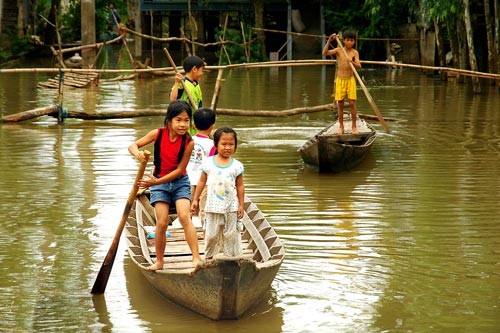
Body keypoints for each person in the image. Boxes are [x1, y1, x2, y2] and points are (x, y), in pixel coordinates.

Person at [128, 100, 202, 270]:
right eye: (178, 120)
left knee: (184, 217)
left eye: (186, 120)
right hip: (159, 183)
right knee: (161, 222)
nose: (183, 124)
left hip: (179, 182)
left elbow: (180, 170)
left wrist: (154, 182)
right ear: (169, 120)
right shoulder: (158, 134)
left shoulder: (189, 142)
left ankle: (196, 258)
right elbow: (133, 145)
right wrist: (137, 154)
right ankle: (160, 262)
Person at [191, 127, 245, 259]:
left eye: (231, 144)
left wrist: (241, 205)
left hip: (231, 206)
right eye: (224, 144)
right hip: (212, 206)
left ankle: (231, 257)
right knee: (211, 234)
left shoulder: (237, 165)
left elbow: (240, 186)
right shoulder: (208, 163)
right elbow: (201, 182)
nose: (227, 147)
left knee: (231, 234)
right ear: (216, 145)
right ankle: (209, 257)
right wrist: (195, 200)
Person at [323, 30, 361, 135]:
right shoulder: (339, 50)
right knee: (340, 104)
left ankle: (354, 126)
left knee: (352, 103)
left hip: (350, 80)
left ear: (354, 42)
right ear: (343, 40)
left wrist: (351, 61)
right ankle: (341, 127)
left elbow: (359, 65)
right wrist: (329, 40)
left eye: (351, 40)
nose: (349, 42)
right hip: (340, 80)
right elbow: (325, 53)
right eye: (347, 40)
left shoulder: (354, 52)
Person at [186, 107, 217, 228]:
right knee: (205, 210)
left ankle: (187, 231)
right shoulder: (213, 145)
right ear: (212, 126)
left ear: (193, 124)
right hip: (205, 182)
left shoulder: (188, 140)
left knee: (187, 210)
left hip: (187, 179)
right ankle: (206, 233)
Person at [170, 55, 205, 135]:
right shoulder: (182, 83)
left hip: (194, 123)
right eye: (201, 70)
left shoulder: (196, 84)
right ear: (194, 69)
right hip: (183, 122)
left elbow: (199, 104)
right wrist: (176, 83)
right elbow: (172, 100)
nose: (202, 73)